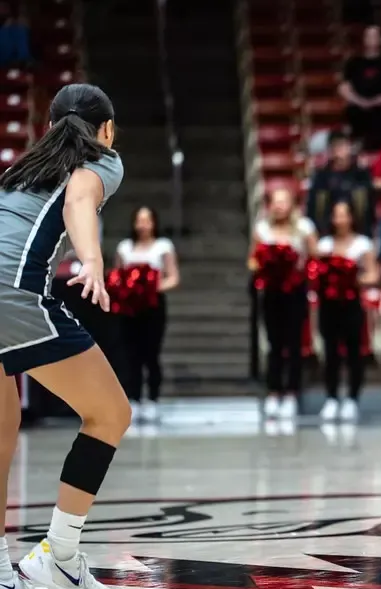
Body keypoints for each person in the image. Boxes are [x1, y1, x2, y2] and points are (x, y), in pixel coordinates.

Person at [0, 84, 126, 588]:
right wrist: (92, 259)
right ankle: (60, 556)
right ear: (108, 128)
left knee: (1, 432)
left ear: (49, 125)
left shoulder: (18, 171)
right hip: (12, 297)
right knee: (111, 414)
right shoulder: (103, 158)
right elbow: (79, 198)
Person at [248, 187, 318, 420]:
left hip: (295, 291)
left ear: (292, 204)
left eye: (283, 201)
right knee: (274, 344)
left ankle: (292, 393)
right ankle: (274, 391)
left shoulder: (304, 228)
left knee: (294, 343)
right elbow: (253, 260)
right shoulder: (262, 230)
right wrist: (266, 265)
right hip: (271, 291)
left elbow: (315, 259)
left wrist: (297, 269)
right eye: (275, 202)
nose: (279, 206)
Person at [115, 206, 179, 423]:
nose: (143, 224)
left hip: (153, 305)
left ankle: (152, 400)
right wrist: (128, 289)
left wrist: (150, 286)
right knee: (130, 354)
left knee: (151, 353)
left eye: (147, 220)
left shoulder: (163, 246)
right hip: (129, 306)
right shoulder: (125, 248)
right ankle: (132, 398)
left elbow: (173, 277)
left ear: (154, 223)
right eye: (139, 220)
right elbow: (117, 276)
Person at [315, 201, 377, 422]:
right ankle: (331, 398)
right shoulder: (324, 245)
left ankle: (352, 399)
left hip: (351, 304)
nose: (340, 220)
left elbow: (373, 275)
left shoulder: (362, 244)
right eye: (336, 215)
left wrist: (351, 279)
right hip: (328, 305)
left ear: (352, 217)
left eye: (344, 215)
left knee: (354, 353)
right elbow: (315, 274)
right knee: (330, 352)